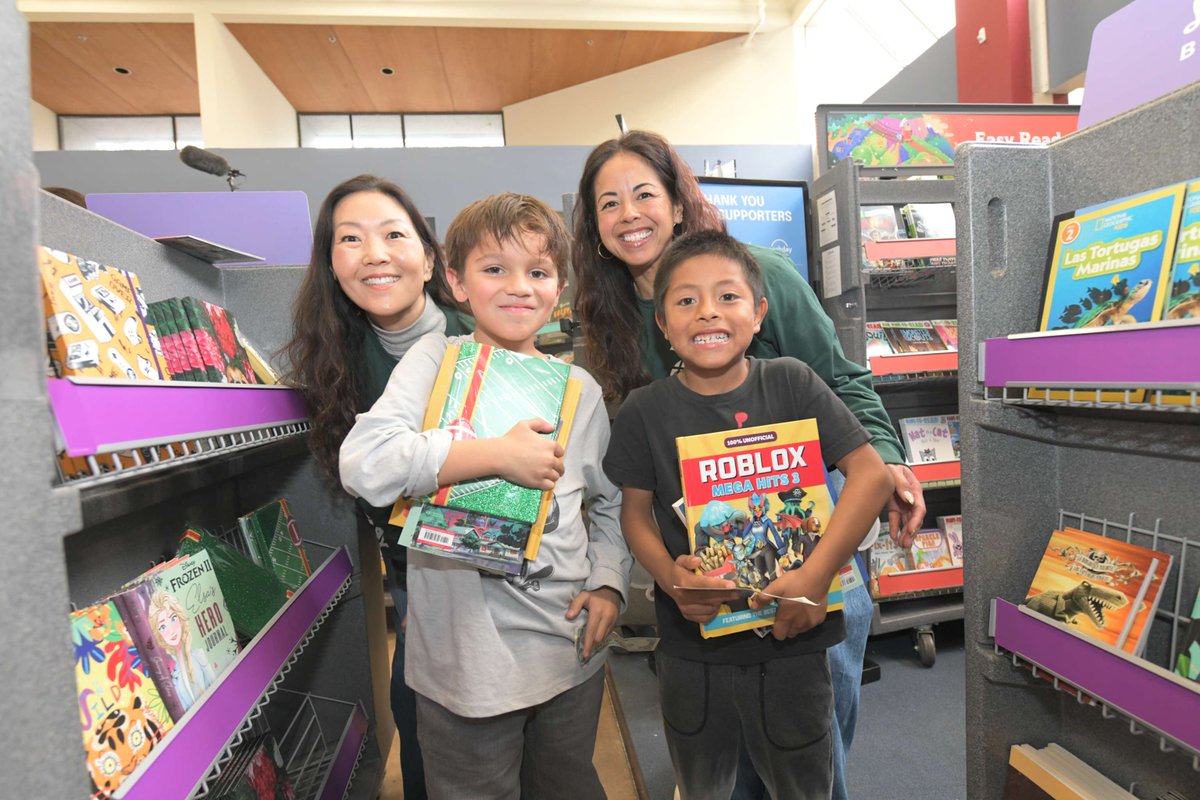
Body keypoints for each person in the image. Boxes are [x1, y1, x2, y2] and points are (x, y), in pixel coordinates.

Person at [572, 129, 926, 799]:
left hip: (805, 525)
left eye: (644, 194)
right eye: (608, 202)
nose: (629, 214)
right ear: (593, 227)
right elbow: (634, 473)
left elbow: (841, 382)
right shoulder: (607, 317)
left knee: (814, 723)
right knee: (722, 744)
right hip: (703, 556)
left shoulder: (754, 274)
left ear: (678, 204)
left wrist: (883, 460)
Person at [338, 192, 632, 800]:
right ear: (456, 280)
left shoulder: (579, 388)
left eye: (539, 272)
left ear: (560, 288)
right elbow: (365, 465)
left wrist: (608, 581)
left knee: (567, 783)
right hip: (465, 664)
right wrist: (493, 454)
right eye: (495, 269)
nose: (518, 287)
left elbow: (608, 502)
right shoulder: (437, 360)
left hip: (566, 647)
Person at [603, 229, 894, 799]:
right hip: (693, 648)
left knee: (805, 778)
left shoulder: (791, 381)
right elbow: (633, 513)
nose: (707, 311)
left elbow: (871, 475)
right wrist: (670, 577)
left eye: (727, 297)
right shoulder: (645, 411)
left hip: (793, 641)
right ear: (661, 324)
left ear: (759, 313)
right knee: (706, 779)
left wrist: (814, 577)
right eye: (685, 300)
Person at [282, 174, 471, 800]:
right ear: (331, 266)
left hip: (493, 560)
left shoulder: (479, 337)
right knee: (418, 701)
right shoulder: (332, 355)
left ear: (429, 256)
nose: (375, 254)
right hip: (409, 563)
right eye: (350, 240)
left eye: (394, 234)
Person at [149, 590, 215, 710]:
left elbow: (218, 687)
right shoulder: (172, 674)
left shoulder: (198, 655)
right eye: (162, 627)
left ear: (180, 618)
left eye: (173, 619)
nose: (171, 631)